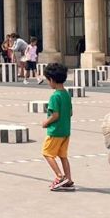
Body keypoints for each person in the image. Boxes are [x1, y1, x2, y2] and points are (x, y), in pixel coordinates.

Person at [41, 62, 74, 191]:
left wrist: (46, 122)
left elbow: (55, 115)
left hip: (55, 131)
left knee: (47, 153)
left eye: (48, 80)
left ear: (52, 80)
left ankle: (60, 176)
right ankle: (68, 179)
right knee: (63, 156)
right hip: (66, 131)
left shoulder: (55, 96)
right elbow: (70, 113)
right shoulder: (66, 94)